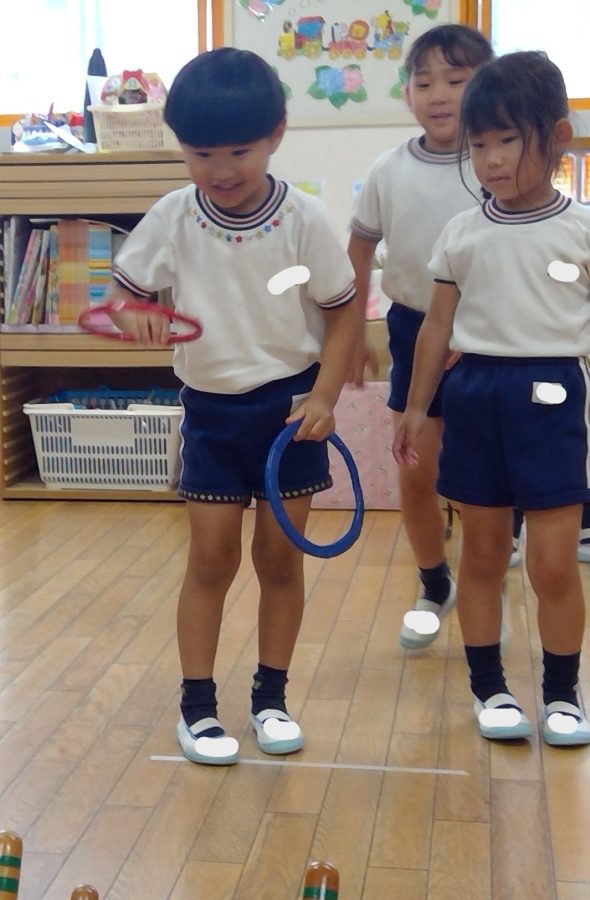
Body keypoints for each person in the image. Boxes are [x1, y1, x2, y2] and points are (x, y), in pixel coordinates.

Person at [105, 48, 358, 764]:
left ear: (276, 134)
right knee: (210, 561)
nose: (220, 170)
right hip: (211, 414)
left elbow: (343, 312)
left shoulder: (304, 218)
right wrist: (134, 316)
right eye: (200, 154)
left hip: (288, 414)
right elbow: (122, 298)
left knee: (279, 562)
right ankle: (197, 709)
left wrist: (325, 395)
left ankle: (271, 700)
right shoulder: (173, 216)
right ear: (180, 147)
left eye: (239, 152)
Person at [393, 50, 590, 745]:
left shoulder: (581, 229)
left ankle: (562, 694)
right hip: (474, 395)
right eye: (479, 146)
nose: (493, 159)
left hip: (552, 397)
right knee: (481, 557)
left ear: (557, 138)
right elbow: (435, 329)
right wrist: (416, 407)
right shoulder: (463, 233)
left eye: (509, 140)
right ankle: (490, 689)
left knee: (553, 564)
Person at [347, 24, 493, 649]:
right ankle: (434, 580)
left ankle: (489, 572)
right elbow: (359, 249)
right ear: (406, 93)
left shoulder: (494, 165)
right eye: (424, 81)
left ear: (485, 88)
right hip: (413, 328)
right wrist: (351, 333)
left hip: (489, 335)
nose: (439, 94)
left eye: (457, 81)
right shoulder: (389, 169)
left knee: (487, 470)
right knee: (415, 466)